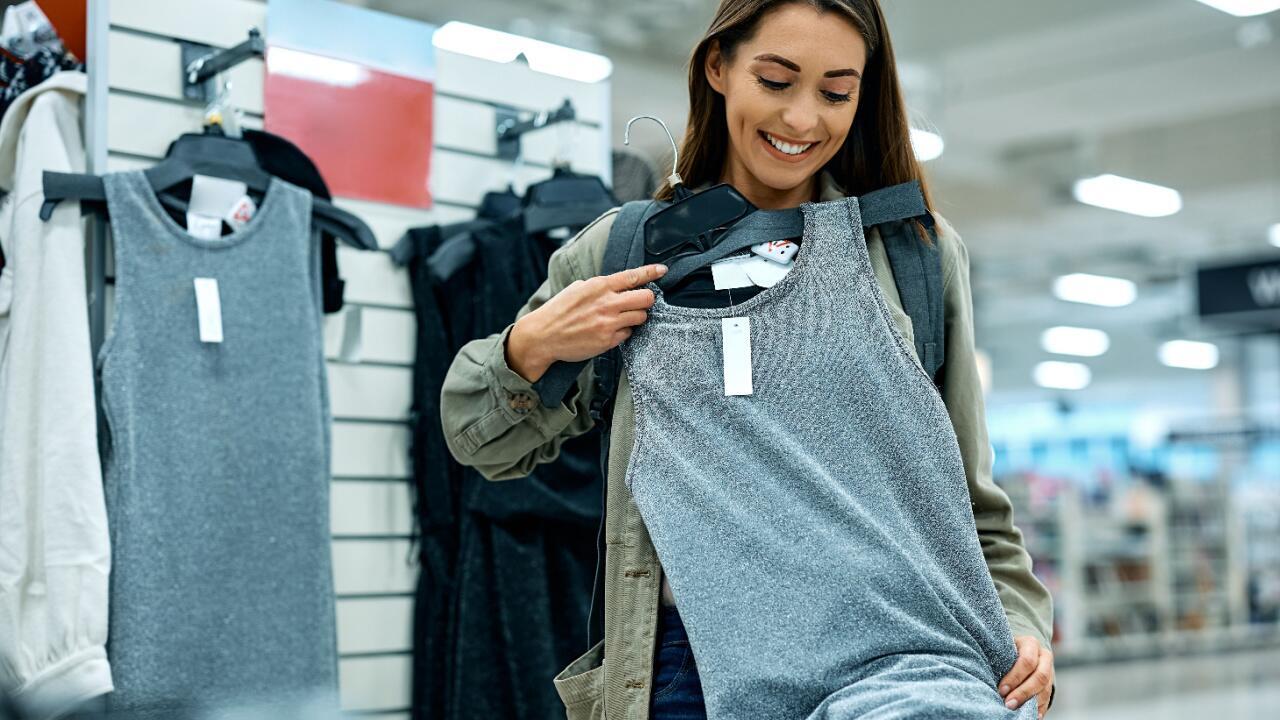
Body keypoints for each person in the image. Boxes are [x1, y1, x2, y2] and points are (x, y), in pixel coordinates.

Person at [440, 1, 1056, 718]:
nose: (802, 118)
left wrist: (1021, 623)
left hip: (897, 662)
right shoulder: (623, 252)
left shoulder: (911, 253)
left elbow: (967, 498)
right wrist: (534, 345)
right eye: (776, 81)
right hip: (685, 673)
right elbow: (479, 441)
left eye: (835, 93)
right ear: (718, 66)